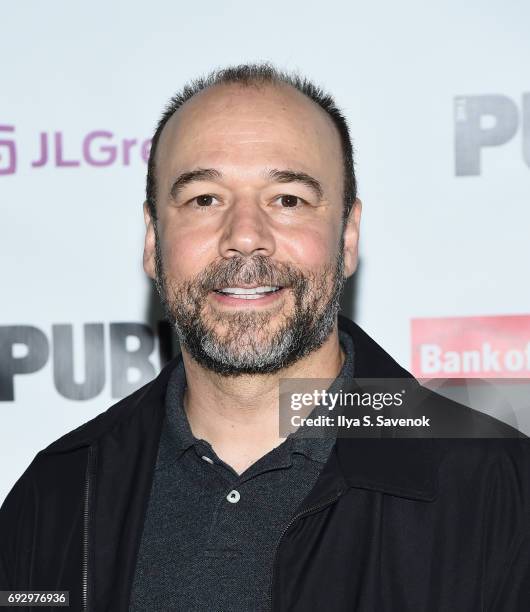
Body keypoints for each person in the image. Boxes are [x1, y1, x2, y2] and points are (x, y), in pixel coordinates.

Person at [1, 62, 529, 612]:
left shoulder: (499, 489)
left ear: (347, 236)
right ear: (153, 240)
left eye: (288, 200)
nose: (245, 237)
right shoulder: (58, 496)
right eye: (205, 199)